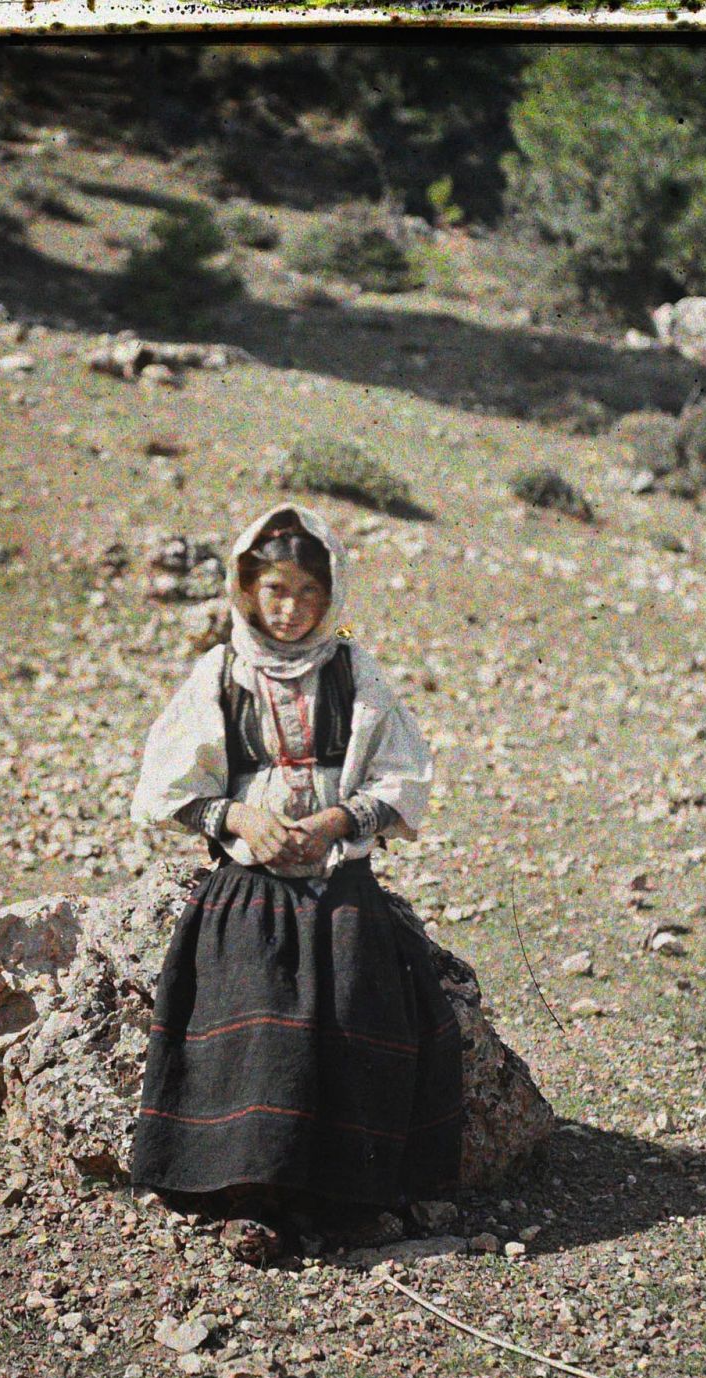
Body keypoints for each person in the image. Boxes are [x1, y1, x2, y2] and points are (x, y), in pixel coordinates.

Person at [128, 502, 464, 1258]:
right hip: (250, 883)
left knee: (359, 996)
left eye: (309, 596)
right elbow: (168, 783)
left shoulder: (353, 668)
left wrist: (339, 820)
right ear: (248, 590)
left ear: (331, 597)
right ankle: (249, 1193)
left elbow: (403, 774)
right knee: (249, 1002)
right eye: (276, 592)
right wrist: (243, 820)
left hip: (339, 878)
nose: (291, 610)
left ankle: (346, 1195)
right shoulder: (220, 671)